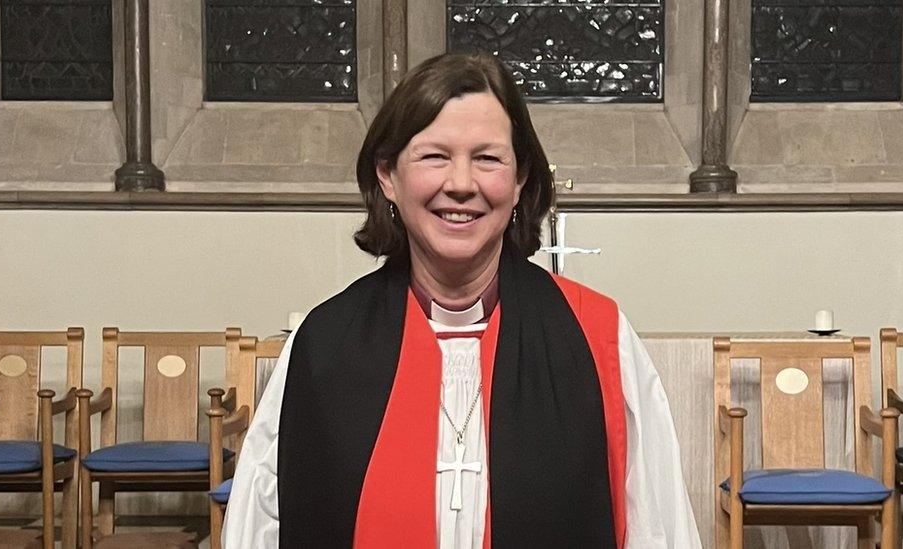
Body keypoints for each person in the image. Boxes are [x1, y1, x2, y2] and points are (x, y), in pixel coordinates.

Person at [223, 52, 700, 548]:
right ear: (388, 175)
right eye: (435, 156)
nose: (461, 184)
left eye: (488, 158)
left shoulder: (597, 336)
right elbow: (259, 527)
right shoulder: (323, 346)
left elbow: (659, 528)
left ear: (519, 182)